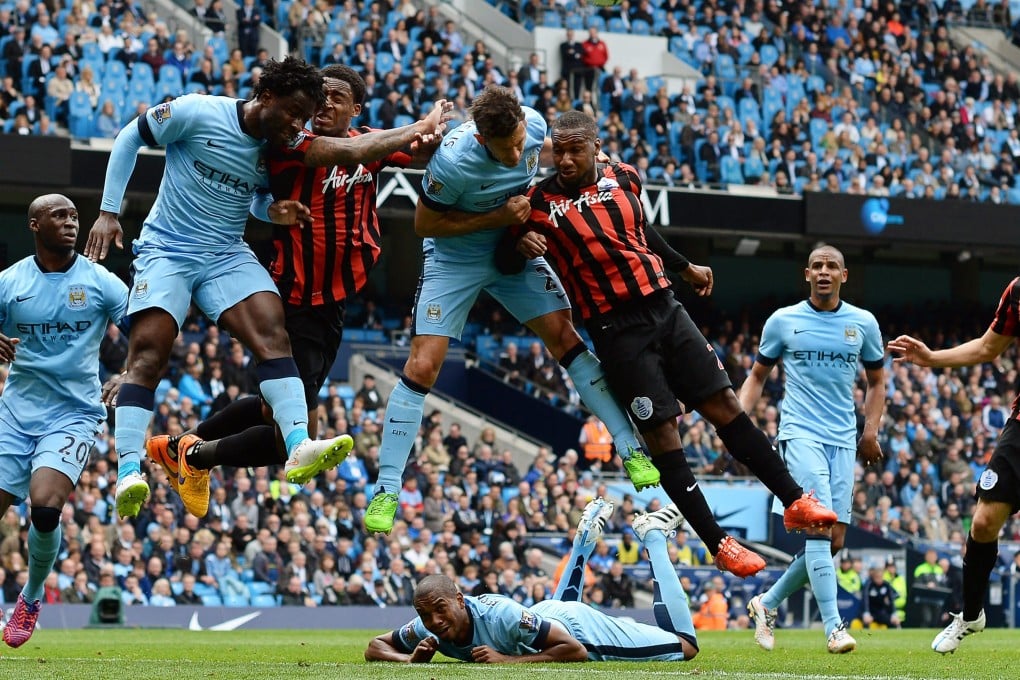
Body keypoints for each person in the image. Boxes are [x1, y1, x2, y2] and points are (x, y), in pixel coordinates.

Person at [84, 57, 448, 519]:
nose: (298, 124)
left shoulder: (282, 144)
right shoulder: (199, 112)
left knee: (273, 347)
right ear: (267, 97)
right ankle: (130, 471)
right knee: (150, 355)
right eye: (295, 112)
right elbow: (131, 136)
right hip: (170, 250)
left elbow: (258, 195)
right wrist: (109, 211)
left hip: (228, 254)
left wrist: (270, 213)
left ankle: (288, 447)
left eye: (306, 115)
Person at [502, 111, 838, 578]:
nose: (565, 158)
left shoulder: (624, 177)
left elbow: (643, 231)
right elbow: (503, 255)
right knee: (663, 435)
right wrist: (519, 244)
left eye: (575, 148)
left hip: (665, 308)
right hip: (615, 332)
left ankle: (795, 500)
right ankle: (718, 542)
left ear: (596, 146)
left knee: (724, 405)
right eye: (559, 149)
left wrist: (684, 267)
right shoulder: (537, 203)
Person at [362, 86, 660, 536]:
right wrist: (498, 217)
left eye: (523, 142)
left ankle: (628, 445)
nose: (521, 152)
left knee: (565, 337)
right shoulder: (453, 160)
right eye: (510, 149)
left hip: (510, 249)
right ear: (482, 140)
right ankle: (386, 489)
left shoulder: (535, 123)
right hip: (453, 258)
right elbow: (424, 223)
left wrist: (519, 225)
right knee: (423, 366)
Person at [739, 244, 885, 654]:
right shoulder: (783, 321)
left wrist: (870, 430)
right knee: (819, 527)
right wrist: (733, 423)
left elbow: (877, 383)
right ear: (806, 274)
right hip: (800, 433)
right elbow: (756, 376)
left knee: (834, 540)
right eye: (817, 266)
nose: (824, 272)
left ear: (844, 275)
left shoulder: (863, 323)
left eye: (832, 266)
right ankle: (834, 628)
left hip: (843, 439)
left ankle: (766, 604)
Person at [0, 194, 129, 648]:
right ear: (34, 224)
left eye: (75, 216)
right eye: (59, 216)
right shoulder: (10, 282)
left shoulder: (100, 281)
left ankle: (31, 596)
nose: (71, 222)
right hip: (15, 413)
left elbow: (149, 328)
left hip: (73, 413)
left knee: (45, 505)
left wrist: (131, 372)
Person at [365, 498, 700, 663]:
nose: (434, 622)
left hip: (580, 631)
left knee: (686, 646)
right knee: (546, 623)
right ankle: (582, 543)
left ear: (460, 600)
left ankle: (653, 537)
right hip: (546, 613)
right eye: (426, 616)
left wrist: (507, 661)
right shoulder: (429, 626)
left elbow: (576, 650)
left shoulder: (500, 614)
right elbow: (374, 647)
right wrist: (407, 660)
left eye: (439, 610)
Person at [887, 280, 1020, 654]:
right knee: (983, 522)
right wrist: (931, 359)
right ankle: (972, 613)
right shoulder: (1019, 291)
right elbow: (987, 347)